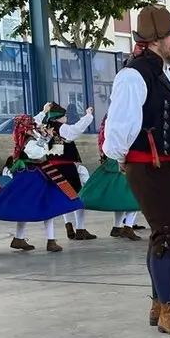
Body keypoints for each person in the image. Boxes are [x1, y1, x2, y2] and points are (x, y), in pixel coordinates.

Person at [102, 4, 170, 336]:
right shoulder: (134, 74)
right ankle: (168, 311)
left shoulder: (168, 73)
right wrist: (120, 156)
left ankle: (161, 304)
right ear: (156, 38)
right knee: (169, 235)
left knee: (164, 233)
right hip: (151, 166)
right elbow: (120, 125)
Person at [0, 114, 83, 252]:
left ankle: (22, 239)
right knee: (45, 205)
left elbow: (49, 150)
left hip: (34, 174)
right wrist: (45, 137)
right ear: (25, 127)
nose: (34, 126)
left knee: (31, 206)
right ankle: (48, 241)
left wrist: (47, 136)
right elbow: (36, 153)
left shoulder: (27, 138)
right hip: (33, 175)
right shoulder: (28, 140)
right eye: (31, 125)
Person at [35, 102, 97, 241]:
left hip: (51, 169)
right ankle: (80, 229)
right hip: (66, 168)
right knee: (77, 197)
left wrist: (43, 112)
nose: (66, 118)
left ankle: (68, 225)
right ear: (59, 117)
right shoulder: (62, 128)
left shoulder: (45, 130)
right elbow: (76, 130)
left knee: (63, 196)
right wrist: (88, 116)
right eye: (64, 116)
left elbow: (39, 143)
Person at [79, 115, 143, 240]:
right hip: (124, 162)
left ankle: (117, 227)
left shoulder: (108, 126)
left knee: (119, 199)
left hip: (110, 162)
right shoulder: (126, 126)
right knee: (136, 197)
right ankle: (128, 227)